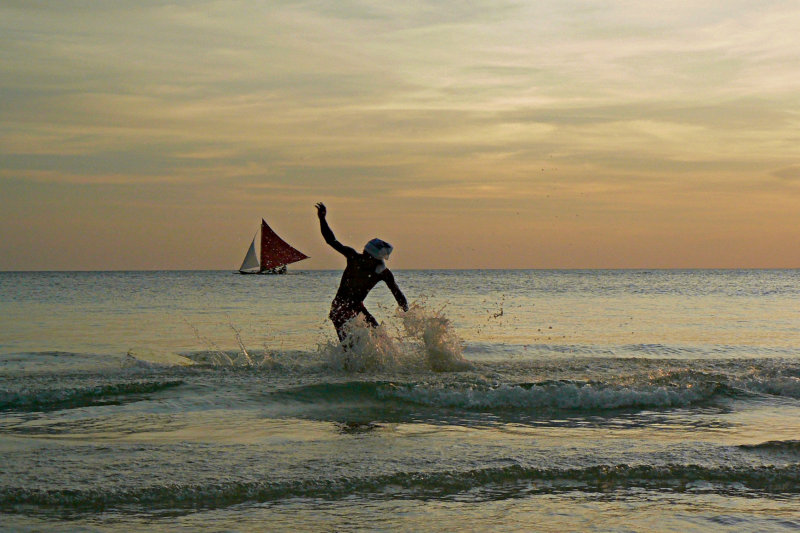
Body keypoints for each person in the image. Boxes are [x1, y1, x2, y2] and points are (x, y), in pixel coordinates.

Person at [315, 202, 408, 342]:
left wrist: (408, 314)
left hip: (357, 307)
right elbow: (331, 240)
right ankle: (346, 363)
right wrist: (322, 219)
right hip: (340, 307)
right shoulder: (354, 258)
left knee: (381, 338)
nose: (363, 255)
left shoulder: (382, 272)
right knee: (349, 346)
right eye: (364, 253)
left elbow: (397, 294)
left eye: (366, 254)